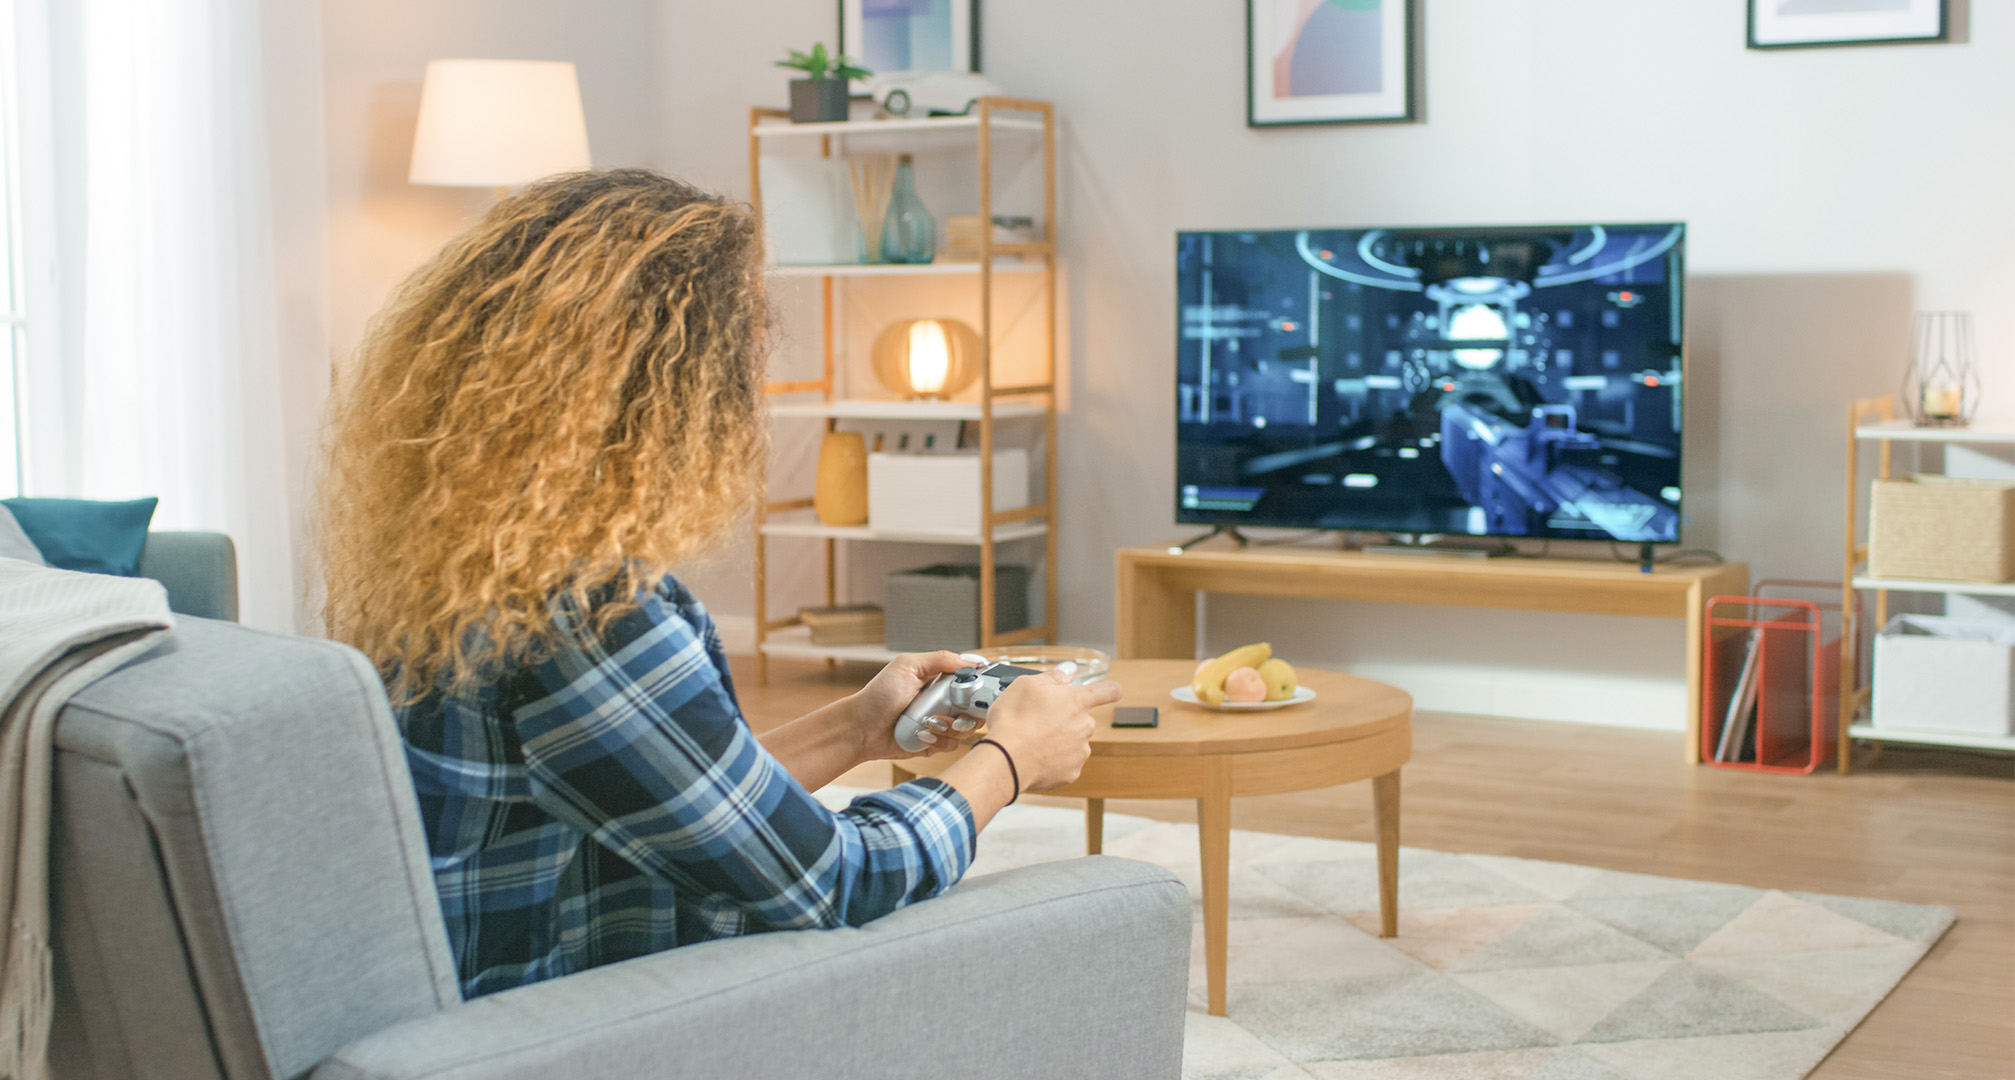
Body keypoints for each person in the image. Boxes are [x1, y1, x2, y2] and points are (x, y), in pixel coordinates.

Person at [317, 169, 1118, 998]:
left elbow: (688, 805)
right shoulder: (590, 618)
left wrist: (854, 727)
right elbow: (837, 881)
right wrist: (1009, 759)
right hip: (560, 1030)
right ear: (677, 395)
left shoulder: (468, 570)